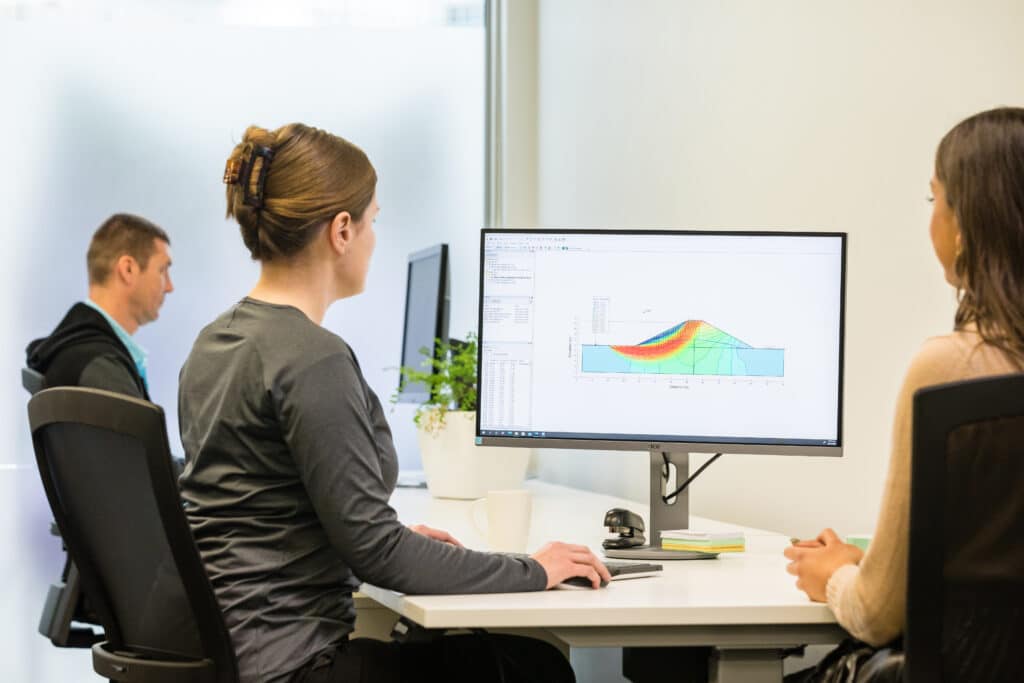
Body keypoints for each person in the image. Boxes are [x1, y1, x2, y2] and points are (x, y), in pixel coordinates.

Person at [178, 123, 610, 683]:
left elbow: (260, 515)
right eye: (372, 221)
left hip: (236, 648)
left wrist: (390, 542)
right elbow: (380, 555)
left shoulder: (214, 343)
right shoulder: (312, 359)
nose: (374, 239)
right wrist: (534, 569)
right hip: (295, 663)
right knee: (536, 667)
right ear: (341, 230)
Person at [783, 107, 1024, 673]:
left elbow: (877, 614)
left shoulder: (950, 367)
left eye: (933, 199)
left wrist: (836, 574)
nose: (932, 218)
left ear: (967, 224)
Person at [27, 213, 174, 398]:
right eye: (162, 270)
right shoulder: (104, 368)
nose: (170, 287)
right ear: (128, 269)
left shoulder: (67, 351)